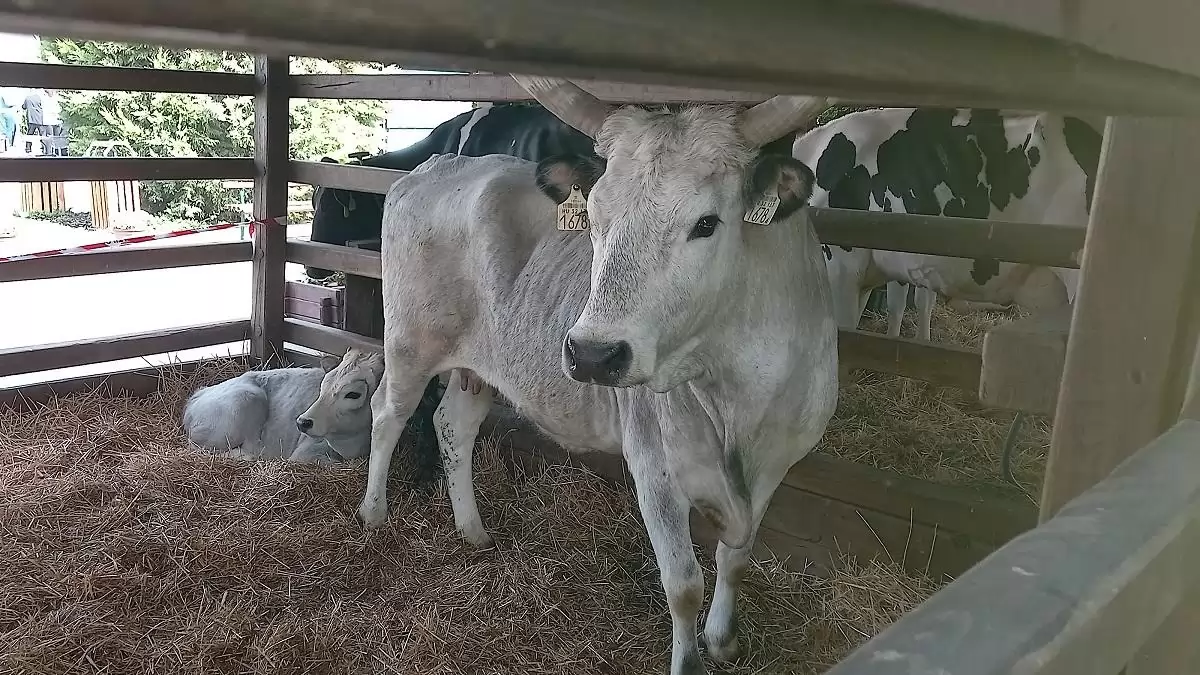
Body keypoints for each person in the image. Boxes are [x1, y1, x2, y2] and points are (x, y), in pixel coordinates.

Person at [22, 88, 64, 155]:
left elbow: (23, 107)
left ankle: (28, 148)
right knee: (44, 135)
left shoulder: (28, 98)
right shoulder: (40, 98)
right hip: (41, 119)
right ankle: (47, 150)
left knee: (30, 134)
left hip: (31, 119)